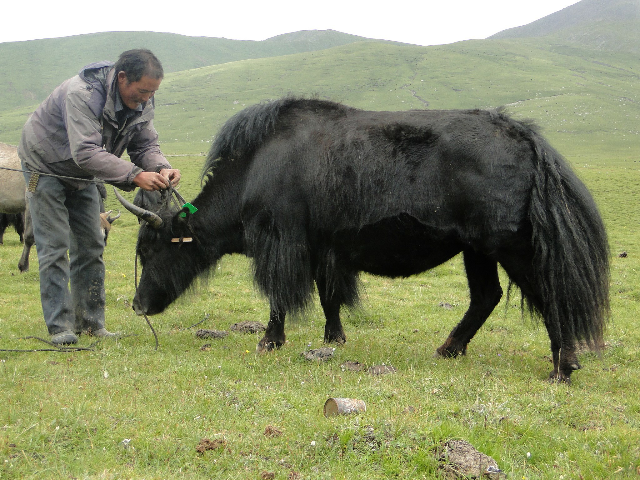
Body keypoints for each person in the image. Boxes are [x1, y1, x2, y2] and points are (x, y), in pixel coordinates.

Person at [18, 49, 180, 345]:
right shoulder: (82, 94)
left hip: (85, 174)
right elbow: (85, 152)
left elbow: (145, 146)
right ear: (122, 78)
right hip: (45, 167)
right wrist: (134, 175)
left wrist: (161, 167)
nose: (146, 99)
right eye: (143, 91)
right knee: (54, 246)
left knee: (91, 244)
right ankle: (60, 328)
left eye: (152, 93)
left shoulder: (141, 99)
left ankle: (91, 324)